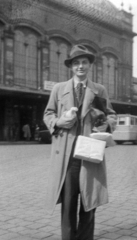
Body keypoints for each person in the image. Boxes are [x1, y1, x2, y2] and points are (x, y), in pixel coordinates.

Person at [44, 44, 117, 240]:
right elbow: (48, 114)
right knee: (68, 204)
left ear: (89, 65)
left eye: (84, 62)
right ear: (71, 66)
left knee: (89, 203)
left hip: (90, 154)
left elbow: (111, 116)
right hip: (67, 158)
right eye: (76, 63)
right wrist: (60, 121)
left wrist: (104, 125)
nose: (80, 66)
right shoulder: (59, 89)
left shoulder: (99, 90)